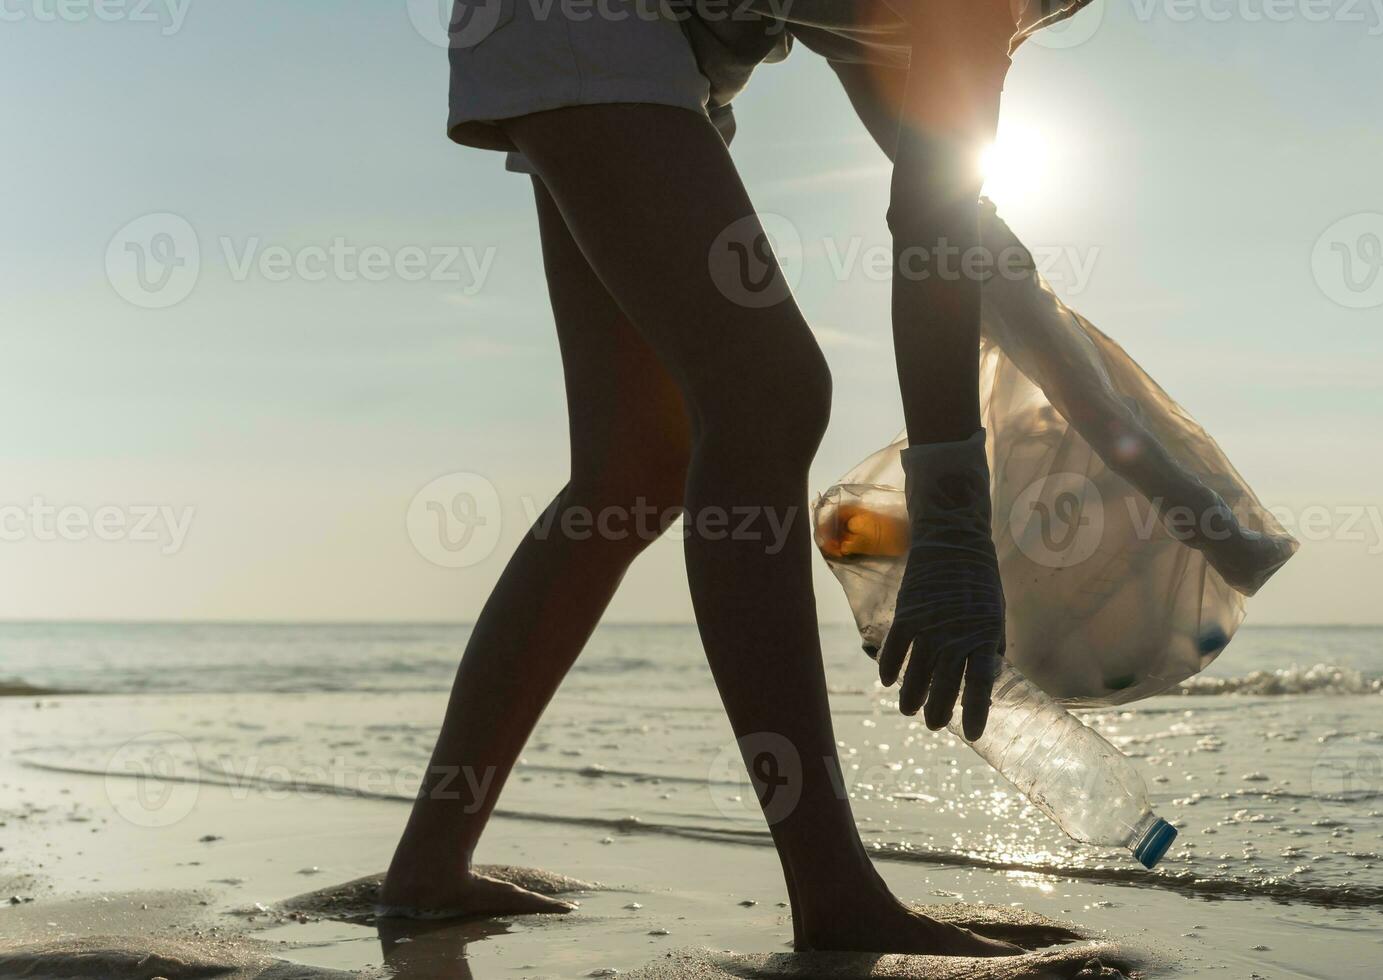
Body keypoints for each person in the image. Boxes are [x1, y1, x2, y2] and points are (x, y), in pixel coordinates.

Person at [378, 0, 1097, 956]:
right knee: (768, 394)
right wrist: (953, 507)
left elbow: (929, 153)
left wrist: (1004, 269)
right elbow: (930, 199)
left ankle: (429, 868)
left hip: (652, 46)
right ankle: (832, 893)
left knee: (633, 469)